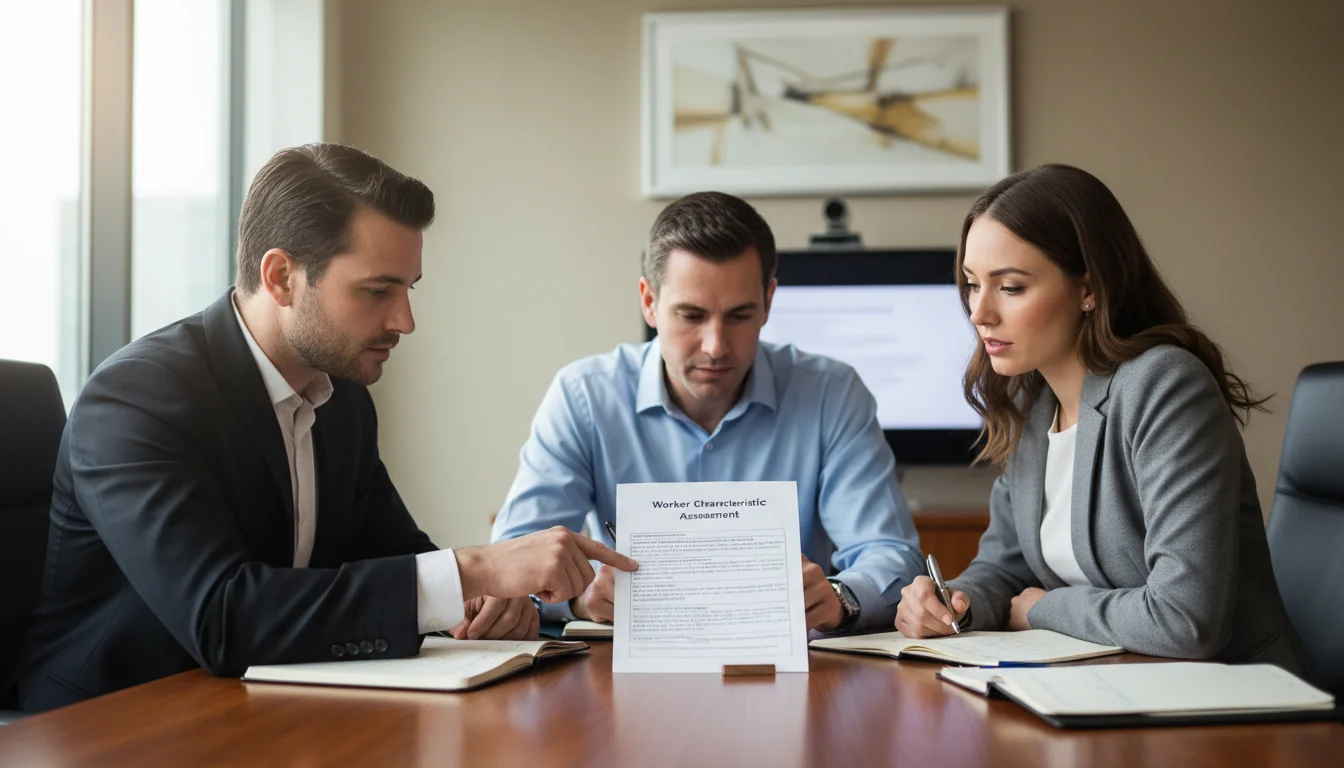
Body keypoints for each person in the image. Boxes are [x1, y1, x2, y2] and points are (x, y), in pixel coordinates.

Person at [17, 143, 634, 713]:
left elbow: (401, 560)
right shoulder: (135, 400)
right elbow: (223, 617)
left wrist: (481, 604)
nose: (406, 320)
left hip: (266, 709)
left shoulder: (341, 400)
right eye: (377, 291)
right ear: (282, 276)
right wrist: (473, 570)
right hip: (113, 724)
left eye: (409, 289)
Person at [895, 164, 1305, 673]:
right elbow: (1004, 568)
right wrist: (955, 604)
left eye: (1012, 287)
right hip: (1111, 687)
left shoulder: (1166, 385)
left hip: (1238, 707)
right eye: (972, 285)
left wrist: (1044, 610)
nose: (979, 313)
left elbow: (1187, 619)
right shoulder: (1030, 404)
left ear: (1088, 289)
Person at [491, 191, 922, 633]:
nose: (715, 346)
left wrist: (842, 597)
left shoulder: (832, 394)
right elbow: (510, 562)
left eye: (739, 316)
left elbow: (890, 555)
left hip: (792, 671)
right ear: (648, 302)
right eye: (691, 315)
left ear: (769, 302)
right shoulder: (584, 397)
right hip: (623, 670)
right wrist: (579, 601)